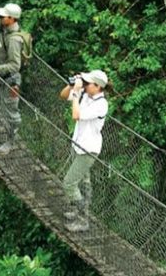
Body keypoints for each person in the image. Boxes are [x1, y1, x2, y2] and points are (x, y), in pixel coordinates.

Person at [58, 70, 108, 232]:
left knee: (69, 184)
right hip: (77, 144)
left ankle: (82, 218)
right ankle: (78, 210)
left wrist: (77, 93)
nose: (86, 85)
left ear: (98, 86)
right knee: (83, 182)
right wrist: (73, 85)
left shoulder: (101, 105)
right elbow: (63, 95)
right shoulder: (86, 94)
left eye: (89, 83)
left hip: (88, 150)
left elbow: (76, 114)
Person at [0, 3, 32, 154]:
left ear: (12, 19)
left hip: (10, 80)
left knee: (11, 113)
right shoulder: (3, 27)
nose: (1, 17)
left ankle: (11, 141)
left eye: (3, 16)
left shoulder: (14, 39)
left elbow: (15, 66)